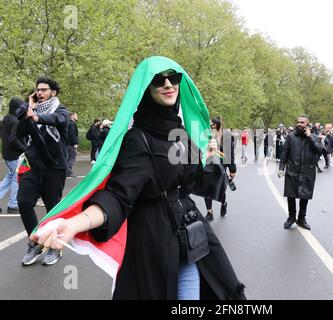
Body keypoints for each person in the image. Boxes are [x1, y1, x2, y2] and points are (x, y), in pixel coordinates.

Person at [31, 56, 246, 300]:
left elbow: (190, 181)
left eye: (173, 78)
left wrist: (206, 158)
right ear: (145, 88)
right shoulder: (138, 139)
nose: (168, 84)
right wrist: (73, 224)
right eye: (158, 80)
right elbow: (118, 195)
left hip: (192, 237)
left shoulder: (180, 133)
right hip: (155, 241)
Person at [15, 76, 69, 265]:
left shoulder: (61, 110)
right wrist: (29, 108)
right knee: (23, 202)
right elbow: (20, 132)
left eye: (44, 90)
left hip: (54, 168)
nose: (39, 93)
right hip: (33, 166)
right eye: (37, 90)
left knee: (53, 210)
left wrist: (36, 116)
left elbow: (58, 120)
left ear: (53, 92)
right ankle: (35, 242)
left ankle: (56, 248)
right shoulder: (32, 110)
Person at [278, 115, 324, 230]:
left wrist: (310, 138)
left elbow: (319, 150)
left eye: (302, 122)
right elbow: (284, 152)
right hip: (292, 170)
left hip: (307, 171)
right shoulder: (290, 136)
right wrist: (281, 168)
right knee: (291, 195)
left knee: (305, 196)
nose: (299, 124)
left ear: (307, 124)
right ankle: (291, 217)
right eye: (298, 122)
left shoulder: (314, 137)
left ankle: (301, 219)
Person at [205, 117, 236, 221]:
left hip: (222, 166)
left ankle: (223, 203)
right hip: (209, 165)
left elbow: (230, 154)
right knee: (207, 188)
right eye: (210, 125)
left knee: (220, 189)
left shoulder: (227, 136)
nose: (211, 126)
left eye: (213, 125)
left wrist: (232, 169)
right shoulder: (208, 136)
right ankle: (209, 212)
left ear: (218, 125)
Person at [0, 98, 27, 213]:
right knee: (17, 179)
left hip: (7, 154)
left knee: (10, 177)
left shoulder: (6, 119)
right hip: (16, 155)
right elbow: (13, 139)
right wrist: (25, 149)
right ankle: (13, 204)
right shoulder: (16, 121)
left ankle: (13, 203)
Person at [66, 112, 79, 177]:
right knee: (72, 158)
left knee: (68, 158)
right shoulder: (71, 124)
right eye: (76, 115)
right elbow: (72, 134)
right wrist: (75, 143)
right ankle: (68, 172)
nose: (77, 117)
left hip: (68, 143)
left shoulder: (69, 123)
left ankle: (67, 171)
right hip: (71, 144)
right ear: (72, 116)